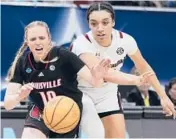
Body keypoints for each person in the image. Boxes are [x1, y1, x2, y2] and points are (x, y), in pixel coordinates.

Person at [71, 1, 176, 138]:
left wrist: (163, 96)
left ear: (113, 22)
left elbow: (143, 66)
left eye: (105, 22)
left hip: (107, 94)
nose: (100, 28)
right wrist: (136, 79)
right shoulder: (81, 43)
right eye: (94, 23)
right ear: (88, 24)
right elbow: (107, 74)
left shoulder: (125, 41)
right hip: (81, 94)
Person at [4, 21, 111, 138]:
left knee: (88, 108)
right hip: (40, 109)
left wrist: (98, 76)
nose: (38, 42)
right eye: (33, 39)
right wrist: (19, 96)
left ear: (49, 39)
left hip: (69, 107)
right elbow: (8, 104)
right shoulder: (22, 63)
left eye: (41, 38)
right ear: (27, 42)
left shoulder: (64, 56)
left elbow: (95, 82)